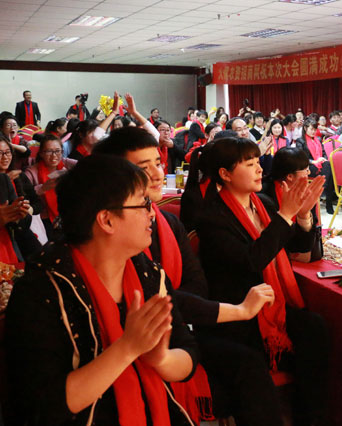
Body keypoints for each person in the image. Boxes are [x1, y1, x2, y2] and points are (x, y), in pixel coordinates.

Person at [93, 127, 287, 425]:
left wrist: (301, 217)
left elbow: (196, 285)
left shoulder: (169, 223)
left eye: (158, 163)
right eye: (144, 168)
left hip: (181, 327)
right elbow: (161, 294)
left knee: (256, 362)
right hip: (128, 340)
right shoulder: (110, 240)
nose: (157, 174)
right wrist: (234, 310)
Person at [5, 154, 198, 425]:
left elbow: (188, 353)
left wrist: (161, 359)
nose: (152, 212)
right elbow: (42, 405)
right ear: (106, 220)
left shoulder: (149, 275)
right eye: (143, 203)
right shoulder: (41, 290)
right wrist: (127, 348)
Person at [195, 137, 329, 425]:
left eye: (258, 162)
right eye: (249, 164)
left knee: (315, 327)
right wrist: (286, 215)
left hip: (270, 305)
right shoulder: (212, 217)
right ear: (225, 174)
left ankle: (310, 417)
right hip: (237, 312)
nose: (259, 169)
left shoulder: (263, 204)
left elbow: (298, 249)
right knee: (253, 360)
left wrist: (303, 216)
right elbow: (252, 260)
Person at [0, 135, 41, 261]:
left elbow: (37, 205)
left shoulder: (14, 177)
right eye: (0, 153)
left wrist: (23, 211)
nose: (5, 157)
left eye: (7, 152)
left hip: (18, 234)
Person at [24, 134, 71, 241]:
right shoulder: (31, 173)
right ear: (41, 153)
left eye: (57, 151)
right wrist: (42, 188)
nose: (54, 156)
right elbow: (24, 196)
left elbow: (85, 165)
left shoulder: (65, 164)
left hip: (65, 214)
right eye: (49, 151)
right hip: (43, 218)